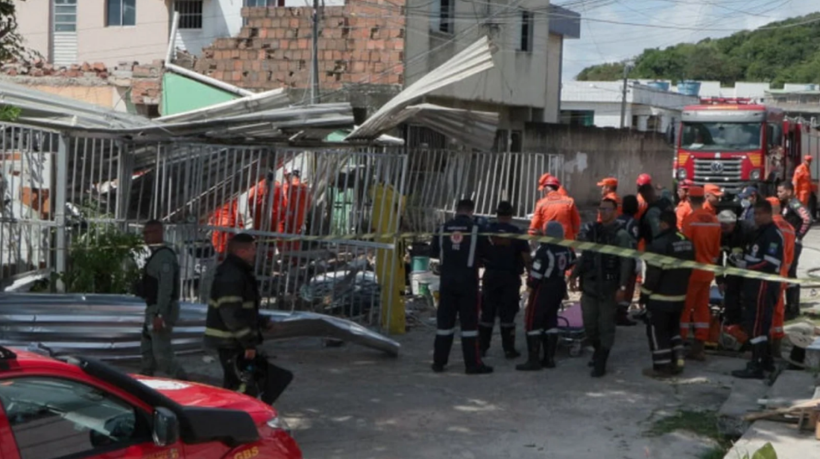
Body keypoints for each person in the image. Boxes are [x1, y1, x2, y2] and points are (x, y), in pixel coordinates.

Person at [205, 233, 293, 403]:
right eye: (252, 249)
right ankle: (237, 422)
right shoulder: (232, 275)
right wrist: (248, 343)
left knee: (241, 383)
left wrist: (263, 322)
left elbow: (244, 310)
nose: (255, 253)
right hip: (231, 342)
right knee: (243, 387)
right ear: (241, 251)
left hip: (234, 341)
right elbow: (231, 313)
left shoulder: (238, 272)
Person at [569, 198, 634, 378]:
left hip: (609, 288)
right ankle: (598, 351)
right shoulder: (594, 232)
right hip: (590, 286)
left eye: (607, 209)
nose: (603, 212)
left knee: (606, 326)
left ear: (615, 211)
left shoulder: (621, 235)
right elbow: (585, 256)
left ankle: (601, 361)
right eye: (601, 209)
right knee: (590, 325)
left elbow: (626, 262)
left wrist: (622, 287)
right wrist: (574, 274)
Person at [430, 199, 494, 374]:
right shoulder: (476, 229)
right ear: (471, 211)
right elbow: (489, 253)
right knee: (469, 325)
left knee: (444, 324)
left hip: (447, 282)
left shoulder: (442, 229)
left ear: (456, 210)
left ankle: (438, 362)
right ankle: (472, 364)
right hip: (468, 283)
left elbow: (434, 252)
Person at [732, 200, 784, 379]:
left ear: (769, 214)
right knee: (756, 322)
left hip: (763, 285)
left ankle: (757, 365)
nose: (757, 217)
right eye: (755, 214)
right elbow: (755, 254)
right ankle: (766, 361)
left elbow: (771, 262)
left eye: (760, 214)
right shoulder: (759, 232)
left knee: (757, 324)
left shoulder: (772, 234)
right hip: (754, 284)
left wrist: (747, 266)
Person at [640, 210, 695, 378]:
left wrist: (644, 294)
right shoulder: (687, 242)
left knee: (657, 332)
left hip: (660, 298)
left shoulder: (659, 244)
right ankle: (678, 361)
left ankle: (661, 367)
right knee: (674, 329)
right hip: (680, 295)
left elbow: (653, 275)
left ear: (663, 223)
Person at [517, 222, 575, 371]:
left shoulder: (544, 250)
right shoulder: (567, 249)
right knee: (551, 319)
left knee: (533, 321)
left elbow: (536, 275)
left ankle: (533, 360)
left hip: (543, 288)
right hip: (558, 286)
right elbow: (571, 263)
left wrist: (528, 291)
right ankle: (549, 358)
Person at [136, 220, 188, 380]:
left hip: (160, 309)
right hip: (153, 308)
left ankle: (182, 381)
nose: (145, 237)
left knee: (162, 354)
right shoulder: (157, 255)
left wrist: (160, 314)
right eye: (144, 233)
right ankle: (146, 379)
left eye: (148, 233)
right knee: (148, 349)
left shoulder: (164, 256)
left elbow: (166, 288)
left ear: (159, 232)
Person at [479, 201, 531, 359]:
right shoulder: (517, 232)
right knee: (508, 314)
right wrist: (531, 274)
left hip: (491, 275)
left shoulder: (488, 231)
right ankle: (509, 349)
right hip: (510, 277)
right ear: (511, 214)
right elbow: (525, 256)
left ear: (497, 214)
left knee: (487, 313)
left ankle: (482, 348)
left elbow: (479, 252)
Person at [679, 186, 722, 361]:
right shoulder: (714, 220)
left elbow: (685, 248)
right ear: (703, 199)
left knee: (685, 308)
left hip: (691, 272)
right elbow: (716, 252)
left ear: (689, 200)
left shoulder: (689, 221)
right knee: (702, 308)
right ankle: (700, 346)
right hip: (707, 272)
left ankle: (679, 345)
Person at [766, 197, 795, 363]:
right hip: (782, 276)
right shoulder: (789, 228)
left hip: (769, 276)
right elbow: (790, 258)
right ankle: (776, 345)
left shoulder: (770, 228)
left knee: (766, 311)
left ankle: (767, 347)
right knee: (778, 311)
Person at [777, 181, 812, 320]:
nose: (778, 194)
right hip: (787, 243)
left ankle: (793, 308)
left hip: (794, 244)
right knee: (787, 274)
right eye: (778, 191)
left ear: (789, 192)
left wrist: (798, 236)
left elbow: (807, 218)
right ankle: (789, 306)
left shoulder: (794, 204)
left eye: (781, 191)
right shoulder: (786, 205)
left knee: (791, 274)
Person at [716, 210, 755, 326]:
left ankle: (747, 324)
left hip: (750, 270)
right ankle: (731, 322)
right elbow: (717, 258)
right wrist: (720, 280)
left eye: (726, 227)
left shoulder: (749, 229)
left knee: (748, 298)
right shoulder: (720, 233)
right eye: (721, 227)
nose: (723, 230)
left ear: (734, 223)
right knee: (731, 298)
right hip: (733, 270)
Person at [529, 175, 581, 240]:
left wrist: (531, 236)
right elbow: (576, 221)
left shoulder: (541, 203)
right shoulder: (569, 201)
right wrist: (575, 233)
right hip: (567, 241)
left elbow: (534, 224)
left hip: (548, 241)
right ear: (557, 188)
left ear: (545, 189)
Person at [615, 195, 640, 326]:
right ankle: (621, 314)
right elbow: (633, 242)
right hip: (627, 259)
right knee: (627, 286)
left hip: (614, 258)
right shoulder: (633, 223)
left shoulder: (617, 220)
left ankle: (614, 312)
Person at [638, 178, 675, 247]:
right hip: (674, 237)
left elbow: (657, 233)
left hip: (660, 245)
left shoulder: (651, 212)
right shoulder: (666, 200)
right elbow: (666, 192)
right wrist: (662, 188)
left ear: (644, 196)